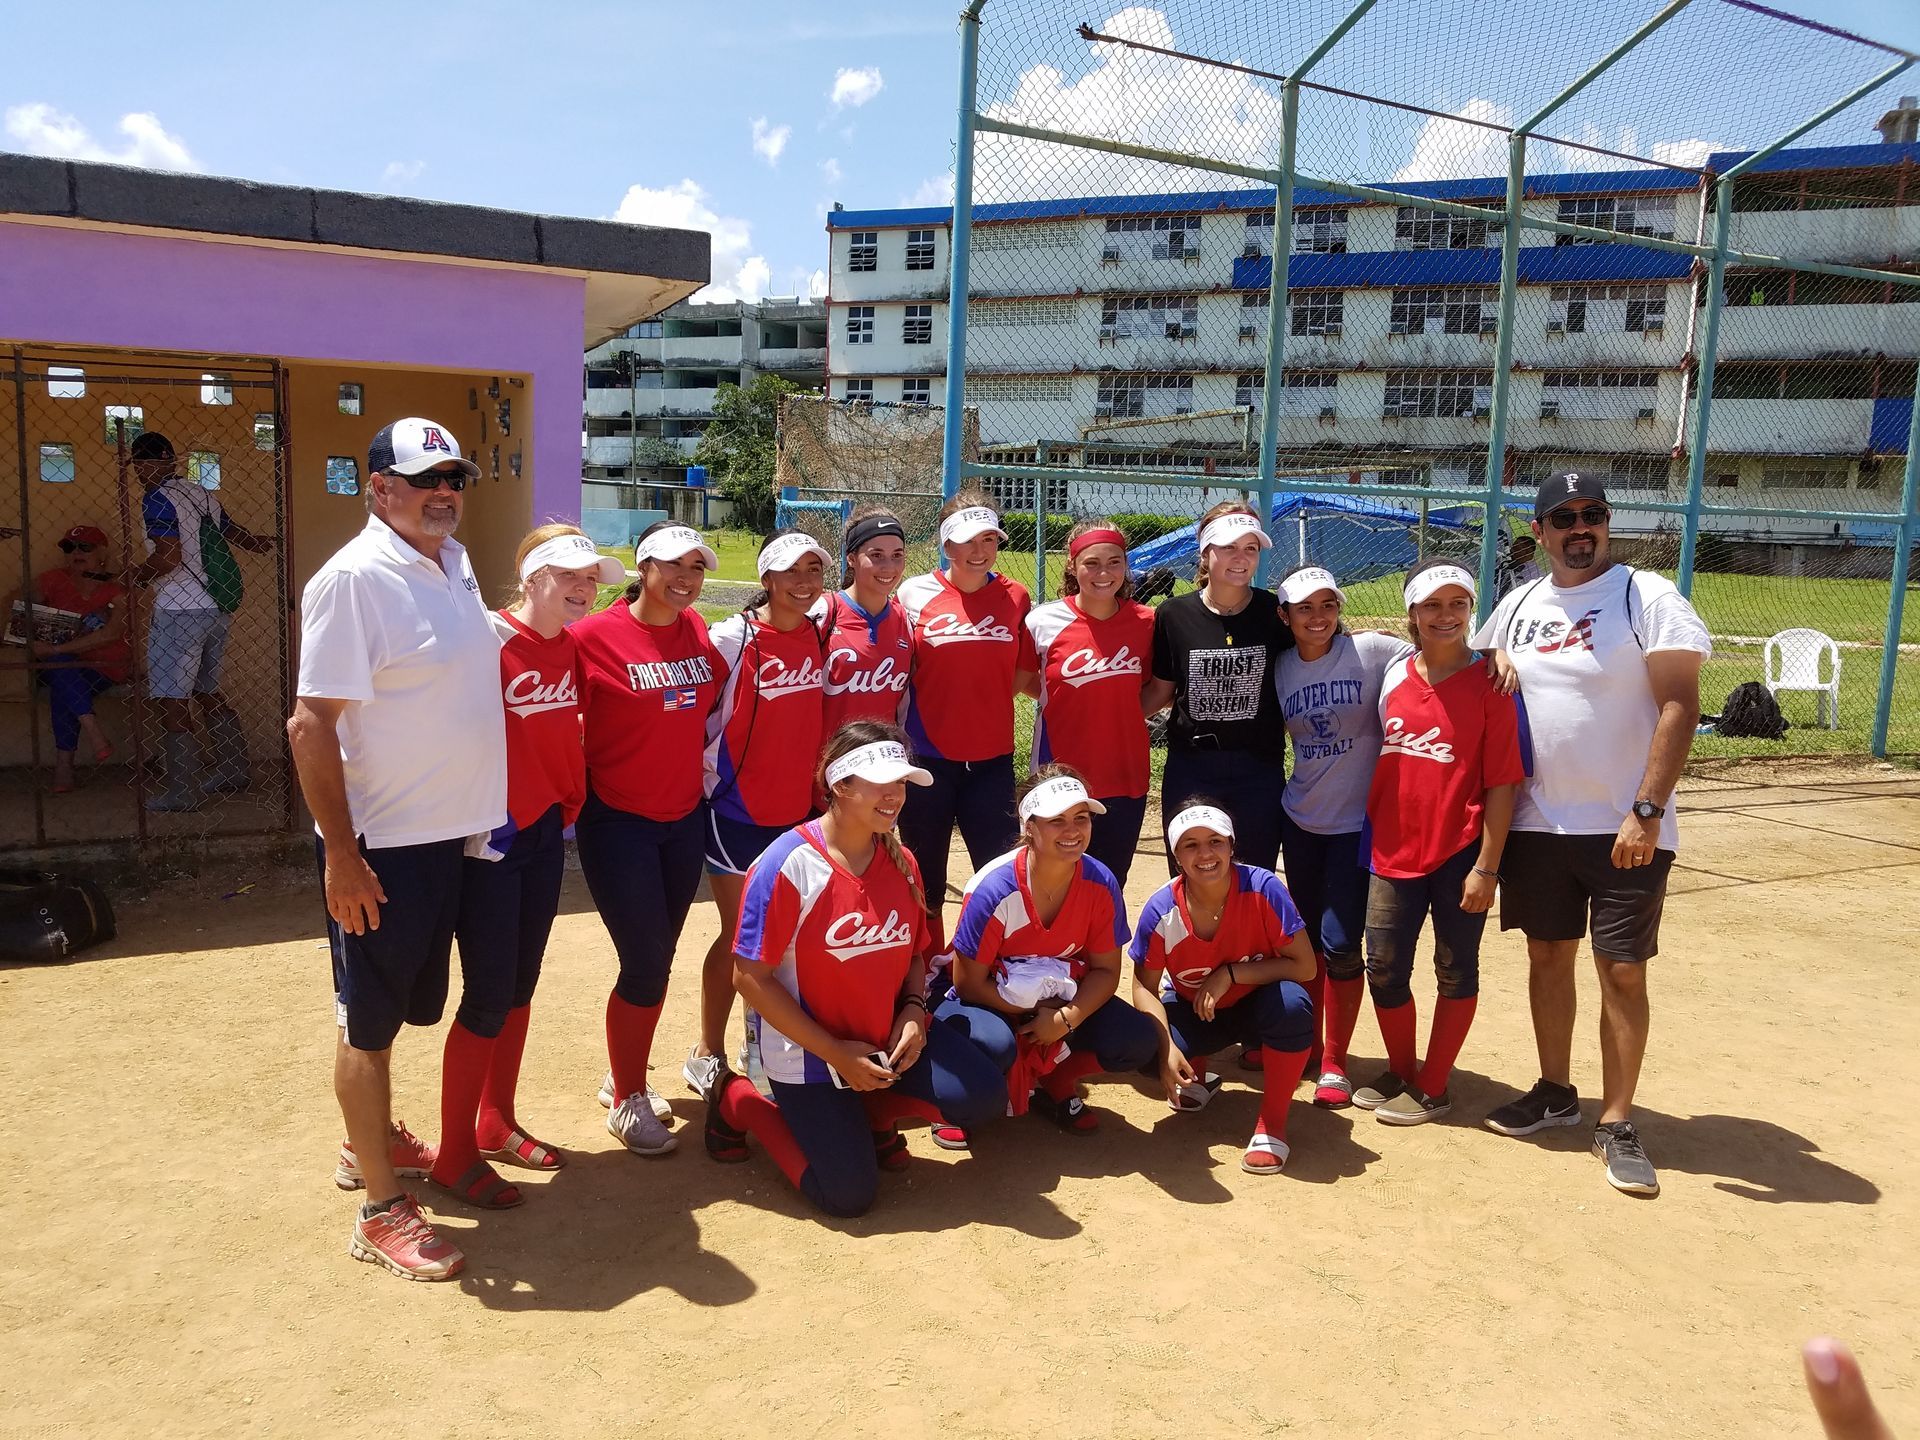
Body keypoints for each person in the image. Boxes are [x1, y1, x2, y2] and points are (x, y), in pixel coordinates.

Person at [286, 417, 502, 1282]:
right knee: (367, 1025)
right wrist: (343, 856)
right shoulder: (352, 580)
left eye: (453, 477)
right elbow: (310, 726)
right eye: (423, 479)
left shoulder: (451, 562)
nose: (443, 492)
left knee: (413, 1005)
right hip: (384, 849)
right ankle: (379, 1208)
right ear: (378, 490)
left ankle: (362, 1140)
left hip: (454, 837)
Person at [1473, 471, 1710, 1197]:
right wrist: (1498, 654)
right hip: (1540, 822)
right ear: (1538, 532)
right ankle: (1554, 1091)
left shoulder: (1647, 596)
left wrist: (1646, 809)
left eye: (1594, 515)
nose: (1582, 528)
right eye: (1564, 517)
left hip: (1622, 826)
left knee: (1623, 970)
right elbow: (1483, 667)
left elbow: (1680, 703)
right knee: (1548, 957)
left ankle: (1616, 1122)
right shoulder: (1517, 603)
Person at [699, 722, 1007, 1218]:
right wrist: (837, 1053)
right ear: (839, 786)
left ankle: (869, 1113)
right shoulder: (787, 865)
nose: (895, 796)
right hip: (809, 1051)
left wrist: (911, 1011)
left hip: (882, 1038)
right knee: (847, 1196)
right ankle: (738, 1100)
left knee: (981, 1098)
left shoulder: (901, 860)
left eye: (902, 782)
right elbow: (748, 978)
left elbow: (912, 953)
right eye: (880, 783)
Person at [429, 525, 619, 1209]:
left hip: (542, 833)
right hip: (488, 840)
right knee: (484, 995)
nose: (584, 588)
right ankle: (452, 1154)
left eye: (592, 579)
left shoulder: (568, 647)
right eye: (570, 575)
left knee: (519, 985)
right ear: (532, 575)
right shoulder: (485, 639)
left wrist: (564, 805)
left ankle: (494, 1121)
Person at [1350, 560, 1523, 1127]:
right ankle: (1403, 1070)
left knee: (1455, 968)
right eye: (1431, 605)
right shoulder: (1396, 674)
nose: (1445, 616)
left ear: (1472, 610)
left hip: (1460, 852)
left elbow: (1502, 783)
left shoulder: (1493, 684)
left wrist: (1488, 868)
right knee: (1384, 966)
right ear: (1412, 614)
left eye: (1457, 604)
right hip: (1393, 849)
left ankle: (1434, 1084)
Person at [571, 521, 723, 1157]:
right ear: (642, 567)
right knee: (644, 958)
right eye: (672, 566)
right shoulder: (592, 637)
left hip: (683, 816)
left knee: (657, 957)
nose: (685, 579)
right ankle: (630, 1097)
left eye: (696, 567)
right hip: (617, 819)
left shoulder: (695, 631)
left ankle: (622, 1071)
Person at [685, 529, 831, 1100]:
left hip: (795, 814)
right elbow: (692, 715)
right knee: (741, 939)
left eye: (814, 572)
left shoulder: (820, 634)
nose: (803, 583)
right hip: (736, 812)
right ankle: (707, 1050)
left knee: (786, 940)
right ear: (765, 579)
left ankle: (763, 1044)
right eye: (790, 572)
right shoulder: (734, 636)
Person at [938, 766, 1158, 1136]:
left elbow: (1106, 971)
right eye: (1057, 820)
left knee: (1136, 1040)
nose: (1073, 831)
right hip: (987, 999)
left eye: (1081, 818)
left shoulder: (1100, 881)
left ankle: (1054, 1080)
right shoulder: (995, 888)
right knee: (993, 1043)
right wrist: (1037, 1012)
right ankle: (952, 1105)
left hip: (1056, 1000)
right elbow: (967, 984)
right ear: (1030, 827)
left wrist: (1064, 1020)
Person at [1272, 564, 1412, 1107]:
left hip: (1356, 824)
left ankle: (1335, 1062)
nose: (1318, 617)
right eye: (1304, 608)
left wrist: (1492, 656)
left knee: (1340, 943)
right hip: (1301, 816)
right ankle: (1304, 1045)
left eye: (1327, 604)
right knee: (1302, 940)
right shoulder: (1281, 667)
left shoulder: (1373, 651)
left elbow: (1438, 663)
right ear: (1284, 616)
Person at [1130, 805, 1319, 1173]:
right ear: (1176, 856)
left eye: (1215, 841)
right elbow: (1143, 986)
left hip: (1256, 1007)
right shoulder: (1161, 909)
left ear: (1231, 846)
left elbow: (1305, 966)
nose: (1205, 854)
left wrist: (1230, 974)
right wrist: (1166, 1046)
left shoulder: (1264, 888)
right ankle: (1196, 1077)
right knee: (1145, 1050)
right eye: (1190, 845)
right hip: (1196, 1010)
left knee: (1294, 1006)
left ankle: (1271, 1126)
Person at [896, 492, 1036, 938]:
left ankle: (992, 967)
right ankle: (928, 969)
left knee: (999, 874)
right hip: (928, 759)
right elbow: (905, 667)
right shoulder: (914, 593)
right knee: (925, 877)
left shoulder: (1016, 596)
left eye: (989, 540)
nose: (979, 551)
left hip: (991, 760)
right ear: (946, 545)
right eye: (967, 541)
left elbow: (1018, 675)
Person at [1141, 501, 1294, 873]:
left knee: (1253, 876)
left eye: (1251, 548)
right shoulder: (1174, 614)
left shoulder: (1275, 613)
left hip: (1258, 766)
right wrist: (1102, 718)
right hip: (1193, 767)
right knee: (1191, 874)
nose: (1240, 558)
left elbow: (1319, 651)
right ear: (1206, 553)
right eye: (1228, 547)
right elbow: (1161, 689)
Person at [127, 430, 275, 811]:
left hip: (179, 608)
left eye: (146, 463)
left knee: (171, 697)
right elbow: (231, 531)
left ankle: (183, 791)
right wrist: (258, 542)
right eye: (138, 464)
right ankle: (232, 768)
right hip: (215, 605)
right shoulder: (199, 492)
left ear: (165, 462)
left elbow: (168, 556)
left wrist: (136, 577)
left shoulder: (156, 499)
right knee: (206, 689)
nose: (142, 471)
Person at [1026, 519, 1156, 884]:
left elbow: (1155, 688)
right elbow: (1024, 679)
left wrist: (1121, 712)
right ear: (1072, 565)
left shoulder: (1146, 622)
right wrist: (1068, 698)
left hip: (1125, 771)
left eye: (1115, 561)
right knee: (1054, 877)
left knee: (1111, 881)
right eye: (1092, 562)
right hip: (1060, 769)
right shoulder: (1043, 621)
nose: (1104, 572)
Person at [4, 525, 130, 794]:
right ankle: (91, 726)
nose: (76, 552)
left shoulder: (115, 590)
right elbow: (12, 608)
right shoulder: (51, 580)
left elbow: (111, 634)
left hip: (102, 667)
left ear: (102, 553)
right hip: (59, 663)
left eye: (85, 547)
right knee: (62, 669)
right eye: (69, 547)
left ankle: (64, 768)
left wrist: (60, 649)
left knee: (61, 677)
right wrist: (29, 637)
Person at [817, 506, 913, 735]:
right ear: (851, 558)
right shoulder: (822, 612)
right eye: (876, 555)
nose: (889, 567)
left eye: (897, 556)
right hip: (825, 762)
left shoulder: (905, 621)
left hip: (880, 762)